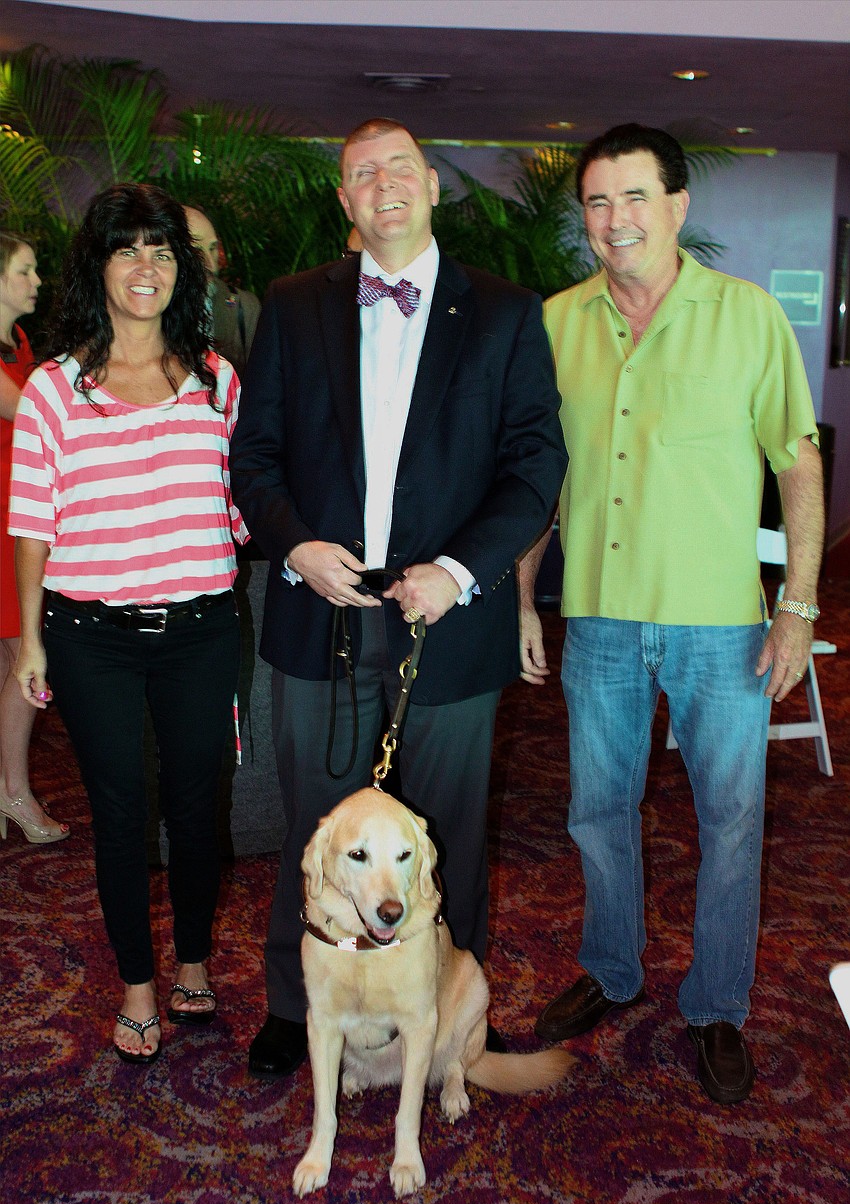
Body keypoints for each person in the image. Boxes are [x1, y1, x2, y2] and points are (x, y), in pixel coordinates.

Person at [230, 116, 566, 1078]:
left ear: (431, 186)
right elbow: (252, 459)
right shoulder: (293, 306)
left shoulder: (503, 313)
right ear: (344, 201)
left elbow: (536, 466)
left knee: (447, 832)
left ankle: (445, 1001)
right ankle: (297, 1009)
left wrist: (458, 573)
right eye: (362, 172)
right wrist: (295, 543)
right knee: (314, 827)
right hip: (320, 612)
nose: (383, 184)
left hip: (446, 626)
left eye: (401, 168)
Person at [521, 123, 824, 1104]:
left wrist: (797, 606)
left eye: (635, 197)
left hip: (720, 626)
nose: (616, 220)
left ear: (678, 206)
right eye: (598, 203)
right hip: (600, 619)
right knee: (595, 810)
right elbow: (539, 474)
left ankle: (717, 1004)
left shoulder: (746, 318)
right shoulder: (557, 323)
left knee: (730, 819)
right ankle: (612, 968)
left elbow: (798, 462)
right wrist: (525, 591)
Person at [8, 184, 247, 1064]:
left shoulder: (217, 379)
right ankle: (137, 986)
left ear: (182, 269)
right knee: (119, 814)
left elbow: (241, 502)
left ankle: (192, 964)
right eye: (127, 248)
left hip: (199, 628)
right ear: (98, 265)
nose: (145, 265)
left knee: (196, 804)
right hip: (90, 636)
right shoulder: (53, 388)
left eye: (162, 249)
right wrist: (31, 638)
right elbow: (32, 521)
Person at [0, 232, 69, 845]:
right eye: (25, 270)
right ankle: (13, 793)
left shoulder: (18, 341)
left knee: (16, 660)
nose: (37, 281)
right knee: (25, 656)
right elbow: (34, 413)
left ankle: (10, 789)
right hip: (6, 526)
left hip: (21, 516)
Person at [183, 206, 260, 378]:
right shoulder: (150, 309)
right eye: (197, 251)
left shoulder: (244, 305)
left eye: (212, 248)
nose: (210, 263)